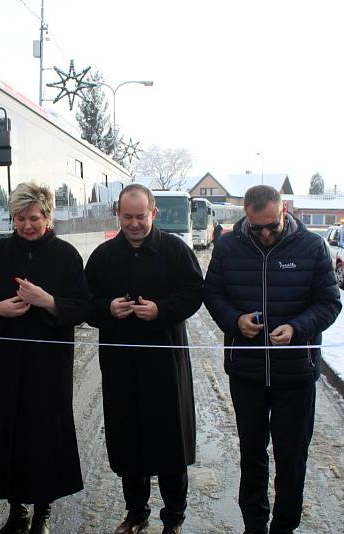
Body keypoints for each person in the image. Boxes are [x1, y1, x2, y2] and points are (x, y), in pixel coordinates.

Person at [204, 184, 341, 534]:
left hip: (295, 373)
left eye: (272, 226)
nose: (265, 234)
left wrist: (297, 328)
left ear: (284, 212)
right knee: (252, 454)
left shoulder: (311, 246)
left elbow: (329, 303)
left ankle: (284, 526)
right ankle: (254, 525)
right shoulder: (228, 246)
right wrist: (235, 321)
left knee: (292, 457)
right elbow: (213, 294)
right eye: (256, 228)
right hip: (246, 372)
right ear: (245, 218)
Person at [0, 182, 90, 534]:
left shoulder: (66, 255)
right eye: (20, 218)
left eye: (33, 218)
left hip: (48, 364)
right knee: (10, 434)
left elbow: (82, 306)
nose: (27, 225)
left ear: (47, 216)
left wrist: (48, 301)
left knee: (44, 436)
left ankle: (42, 512)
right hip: (5, 362)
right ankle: (17, 510)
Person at [85, 184, 204, 534]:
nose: (134, 223)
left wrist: (161, 310)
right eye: (127, 216)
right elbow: (85, 302)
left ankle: (174, 518)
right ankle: (136, 512)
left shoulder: (175, 251)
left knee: (170, 442)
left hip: (165, 363)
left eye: (141, 216)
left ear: (154, 213)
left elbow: (195, 293)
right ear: (118, 215)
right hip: (121, 365)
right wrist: (107, 309)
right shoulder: (104, 256)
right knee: (128, 440)